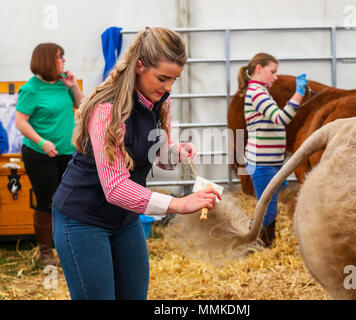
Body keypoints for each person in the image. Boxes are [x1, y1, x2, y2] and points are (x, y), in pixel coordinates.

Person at [51, 27, 221, 300]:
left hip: (124, 218)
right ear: (139, 66)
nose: (168, 87)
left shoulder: (158, 102)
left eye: (174, 80)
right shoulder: (107, 109)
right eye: (163, 78)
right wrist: (177, 204)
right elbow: (116, 187)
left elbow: (151, 153)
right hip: (83, 218)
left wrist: (174, 152)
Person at [15, 43, 84, 265]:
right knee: (47, 200)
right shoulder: (31, 89)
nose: (64, 60)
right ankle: (46, 251)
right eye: (59, 56)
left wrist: (73, 86)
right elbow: (20, 122)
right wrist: (42, 142)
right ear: (47, 60)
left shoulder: (63, 83)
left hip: (67, 151)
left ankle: (67, 244)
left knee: (70, 200)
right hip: (39, 154)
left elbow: (82, 107)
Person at [238, 52, 307, 247]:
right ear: (259, 69)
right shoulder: (257, 92)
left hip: (268, 162)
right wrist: (299, 93)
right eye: (273, 71)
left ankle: (264, 242)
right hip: (262, 162)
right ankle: (256, 244)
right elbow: (281, 119)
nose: (276, 77)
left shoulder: (259, 91)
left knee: (268, 205)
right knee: (267, 208)